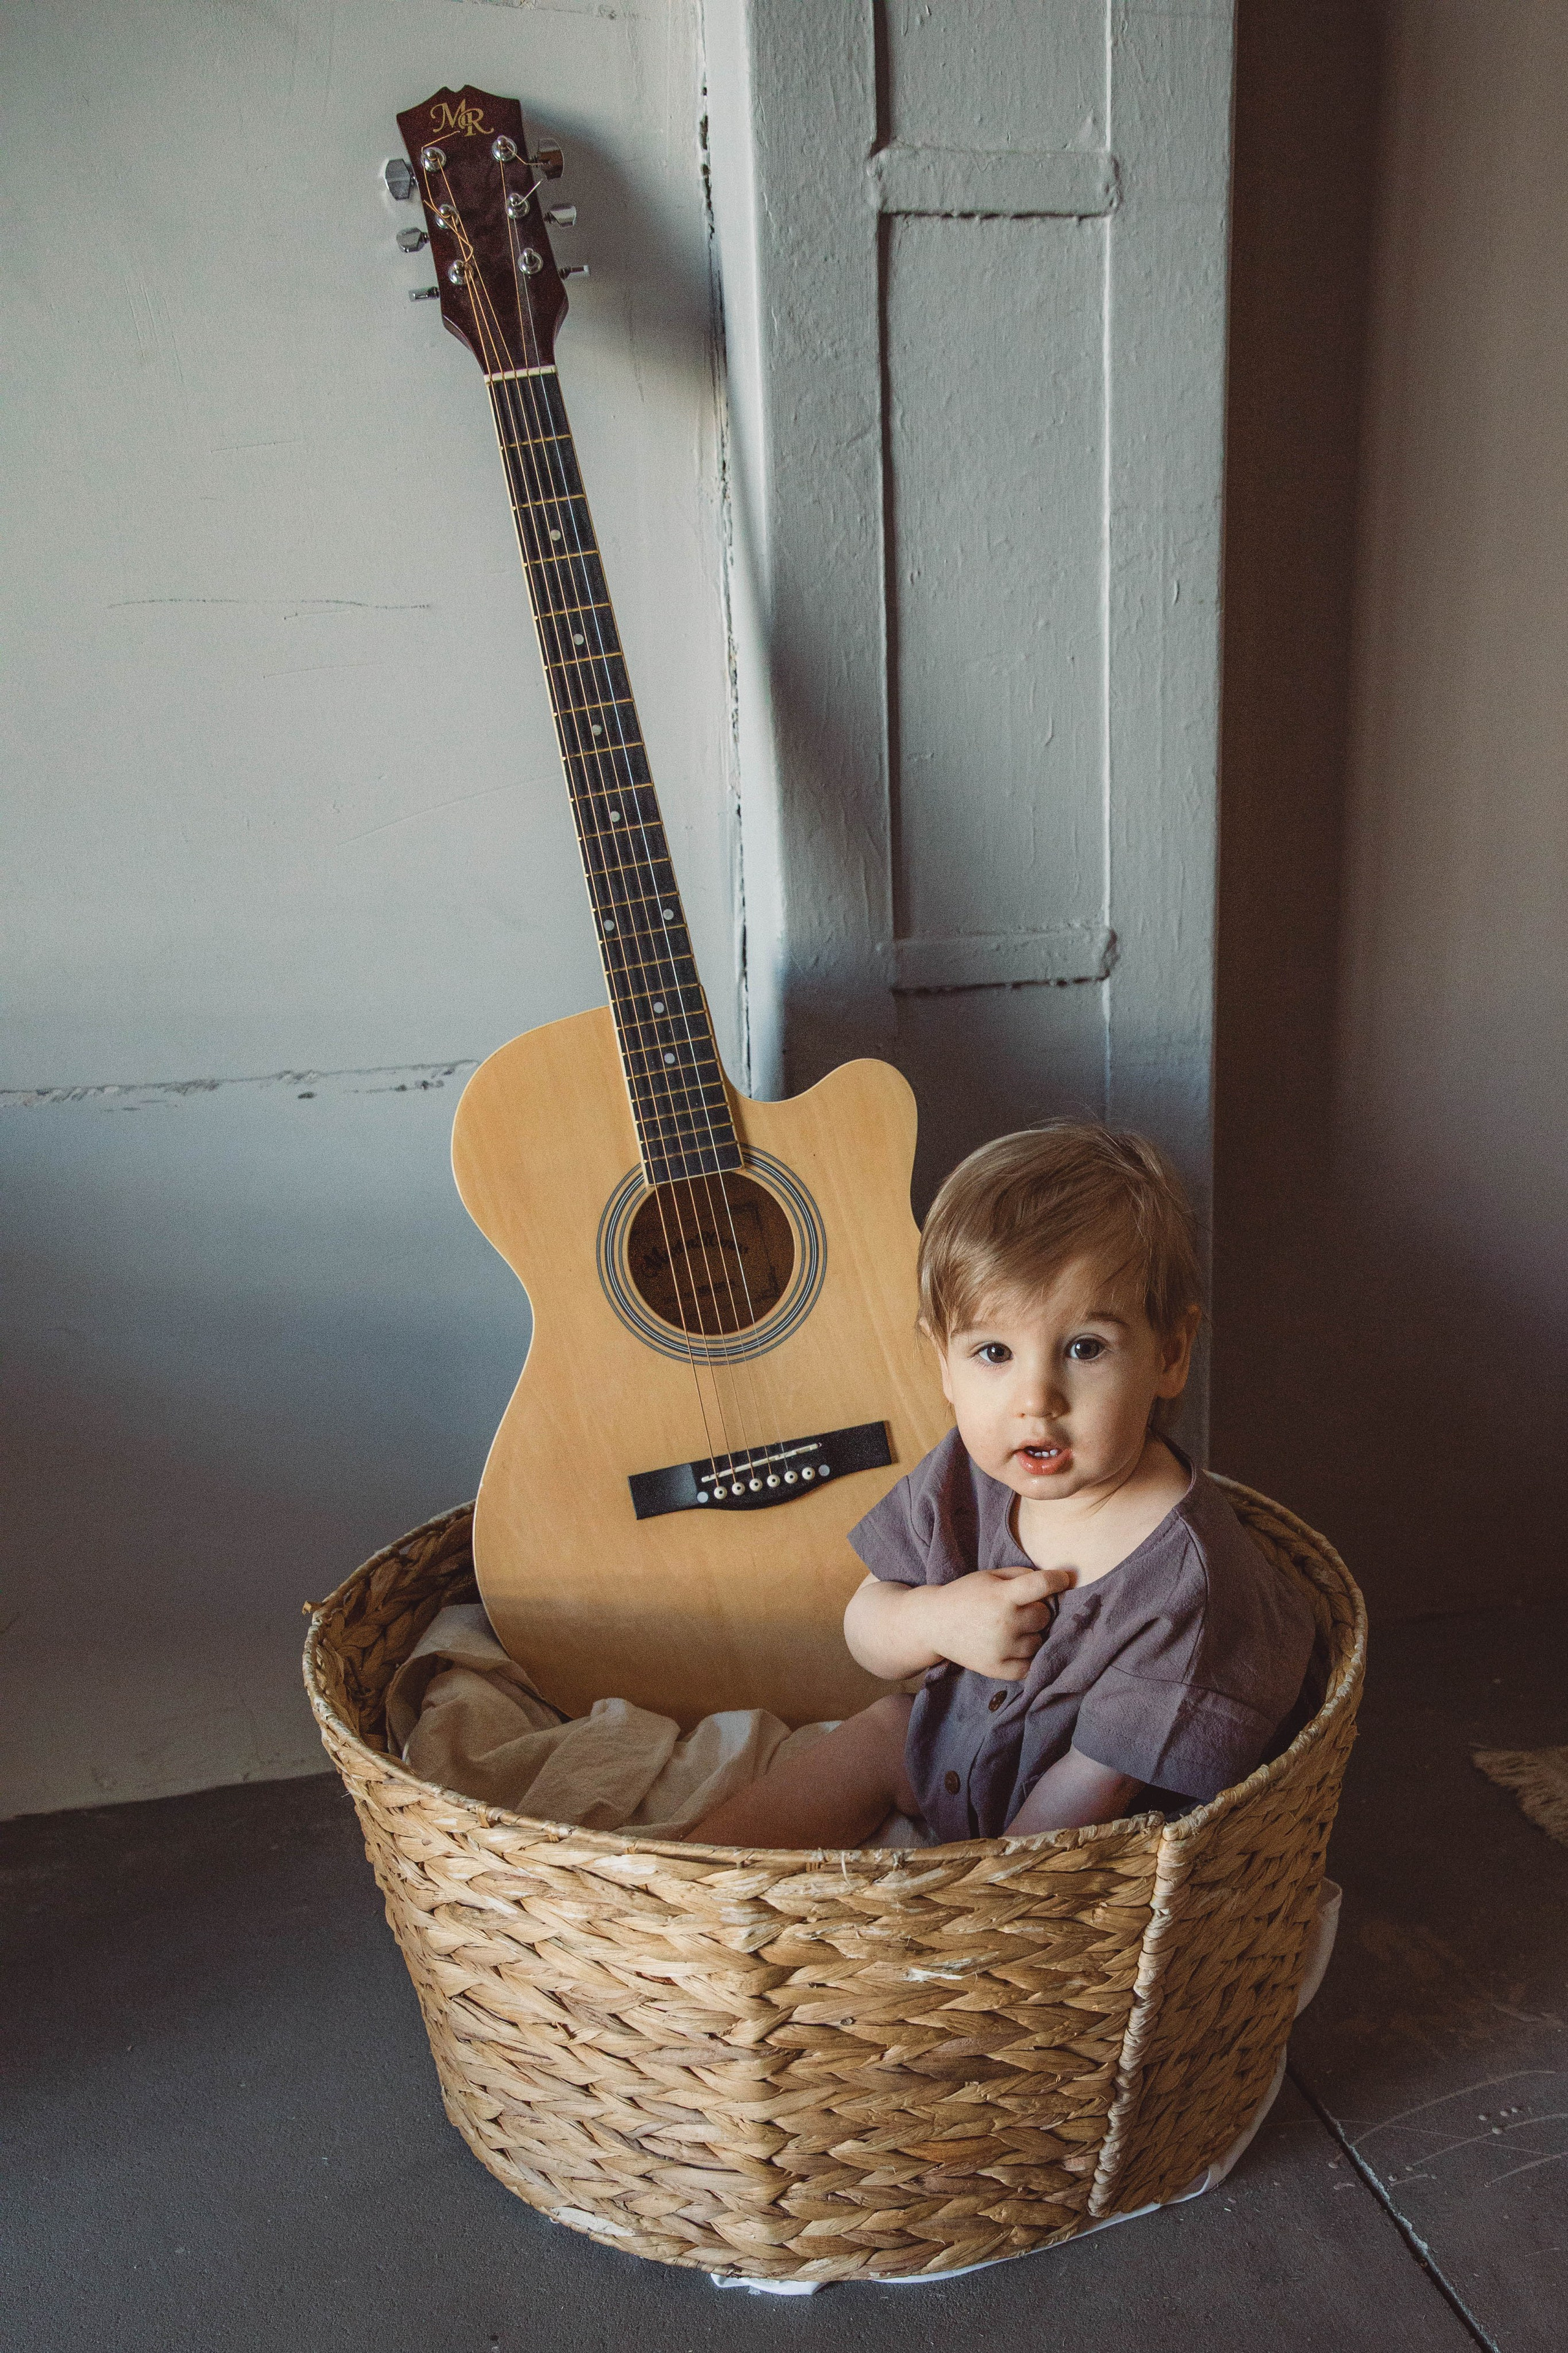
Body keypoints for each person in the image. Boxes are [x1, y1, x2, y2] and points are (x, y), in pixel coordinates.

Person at [682, 1121, 1319, 1849]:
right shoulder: (966, 1471)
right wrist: (933, 1621)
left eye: (1085, 1348)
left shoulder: (1185, 1583)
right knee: (887, 1729)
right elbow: (867, 1622)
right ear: (943, 1365)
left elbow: (1093, 1786)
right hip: (951, 1752)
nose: (1035, 1398)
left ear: (1169, 1355)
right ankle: (687, 1886)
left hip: (1080, 1831)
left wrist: (978, 1895)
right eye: (992, 1352)